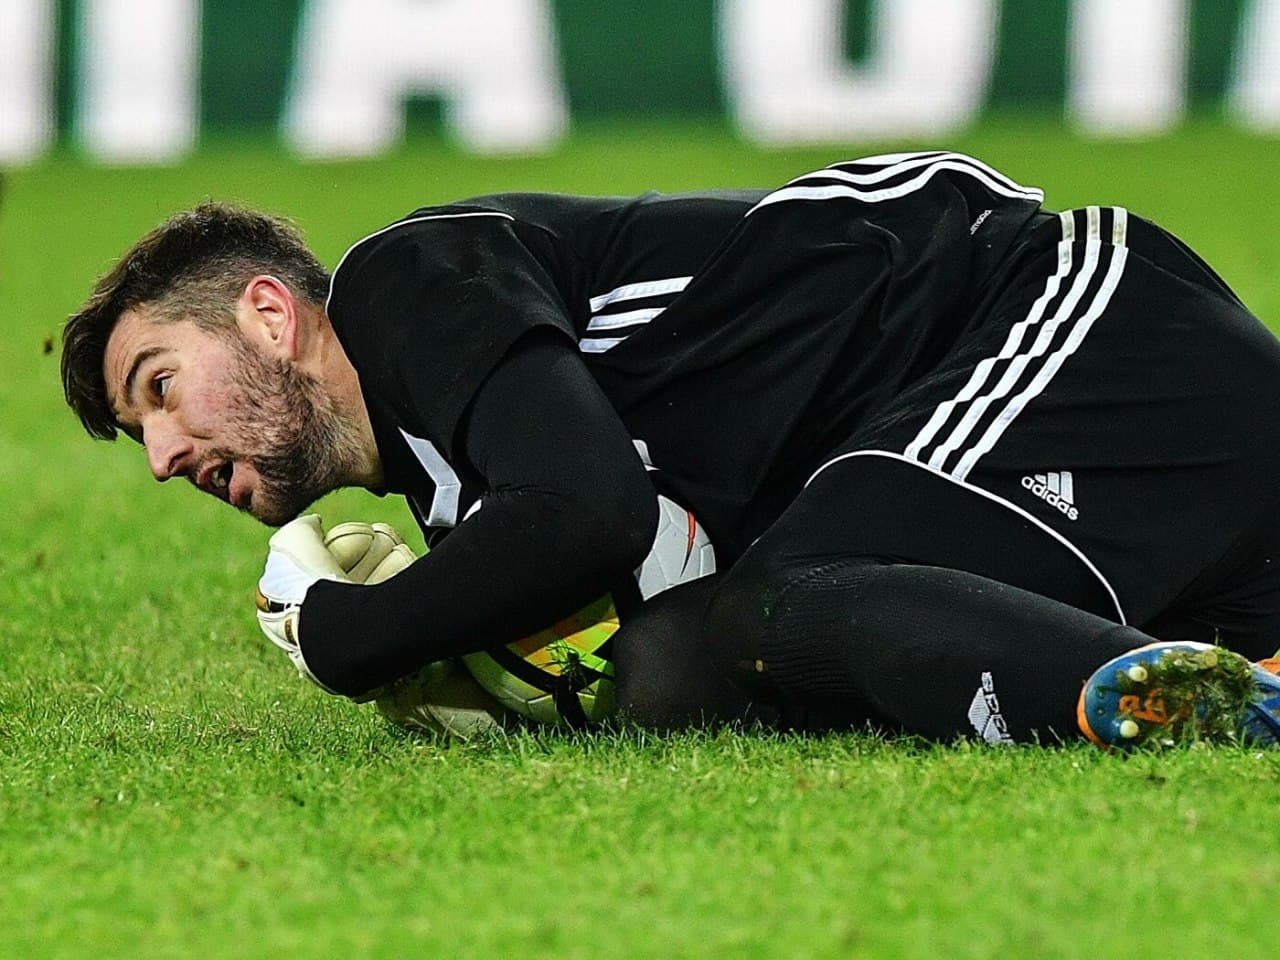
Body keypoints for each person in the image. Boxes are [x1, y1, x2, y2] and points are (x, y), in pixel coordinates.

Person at [60, 150, 1280, 747]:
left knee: (783, 601)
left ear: (270, 315)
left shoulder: (409, 280)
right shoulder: (453, 484)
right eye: (140, 435)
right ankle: (1219, 674)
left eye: (159, 387)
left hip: (1063, 318)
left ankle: (1184, 710)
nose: (163, 454)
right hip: (1023, 448)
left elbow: (589, 511)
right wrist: (498, 674)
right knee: (712, 654)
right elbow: (664, 646)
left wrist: (354, 634)